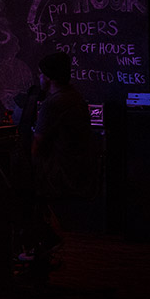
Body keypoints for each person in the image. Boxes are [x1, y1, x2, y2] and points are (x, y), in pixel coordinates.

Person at [17, 51, 96, 268]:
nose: (39, 78)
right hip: (77, 168)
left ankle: (39, 242)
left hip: (59, 172)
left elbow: (36, 147)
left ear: (49, 77)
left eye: (40, 74)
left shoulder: (54, 104)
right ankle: (39, 241)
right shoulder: (74, 96)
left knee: (14, 184)